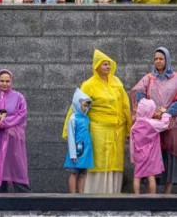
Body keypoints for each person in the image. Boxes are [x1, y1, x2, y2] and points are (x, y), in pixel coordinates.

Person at [63, 49, 131, 193]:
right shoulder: (89, 84)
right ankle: (93, 193)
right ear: (97, 66)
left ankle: (112, 194)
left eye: (109, 64)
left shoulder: (116, 83)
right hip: (97, 131)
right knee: (98, 162)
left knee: (113, 163)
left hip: (116, 132)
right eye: (104, 64)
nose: (107, 66)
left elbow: (125, 105)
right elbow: (76, 105)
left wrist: (129, 128)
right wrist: (68, 131)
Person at [130, 47, 177, 194]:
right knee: (150, 156)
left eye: (161, 59)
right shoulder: (148, 78)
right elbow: (138, 93)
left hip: (170, 123)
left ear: (167, 60)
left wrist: (167, 111)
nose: (158, 61)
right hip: (150, 124)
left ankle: (168, 191)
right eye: (156, 59)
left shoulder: (175, 78)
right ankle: (150, 192)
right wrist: (148, 110)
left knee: (170, 156)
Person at [0, 69, 30, 193]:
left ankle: (26, 203)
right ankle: (1, 203)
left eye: (7, 81)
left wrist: (4, 123)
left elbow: (21, 115)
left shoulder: (18, 98)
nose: (4, 84)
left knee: (17, 168)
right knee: (0, 169)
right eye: (2, 81)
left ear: (11, 81)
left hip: (14, 140)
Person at [131, 98, 171, 194]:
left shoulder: (135, 126)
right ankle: (152, 198)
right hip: (151, 156)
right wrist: (165, 113)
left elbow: (132, 143)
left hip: (139, 155)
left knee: (137, 177)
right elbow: (164, 124)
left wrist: (133, 158)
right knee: (151, 177)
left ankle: (136, 197)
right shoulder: (152, 123)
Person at [63, 88, 94, 194]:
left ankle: (81, 194)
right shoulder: (73, 119)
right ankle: (73, 194)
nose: (86, 108)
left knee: (82, 173)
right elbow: (70, 136)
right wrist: (73, 154)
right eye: (84, 105)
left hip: (85, 150)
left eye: (87, 106)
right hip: (77, 150)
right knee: (74, 172)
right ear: (77, 104)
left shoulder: (86, 118)